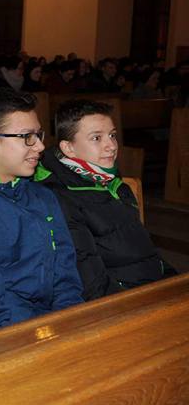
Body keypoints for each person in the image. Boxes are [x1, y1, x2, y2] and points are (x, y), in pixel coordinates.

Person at [0, 88, 83, 328]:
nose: (40, 146)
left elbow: (66, 272)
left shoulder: (42, 195)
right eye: (27, 137)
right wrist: (48, 330)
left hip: (55, 322)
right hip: (12, 330)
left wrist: (69, 319)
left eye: (38, 135)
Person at [35, 100, 176, 300]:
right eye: (96, 138)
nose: (111, 146)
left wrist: (174, 281)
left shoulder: (112, 183)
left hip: (152, 286)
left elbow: (146, 254)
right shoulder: (62, 197)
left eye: (112, 135)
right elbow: (92, 283)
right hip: (124, 300)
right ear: (68, 148)